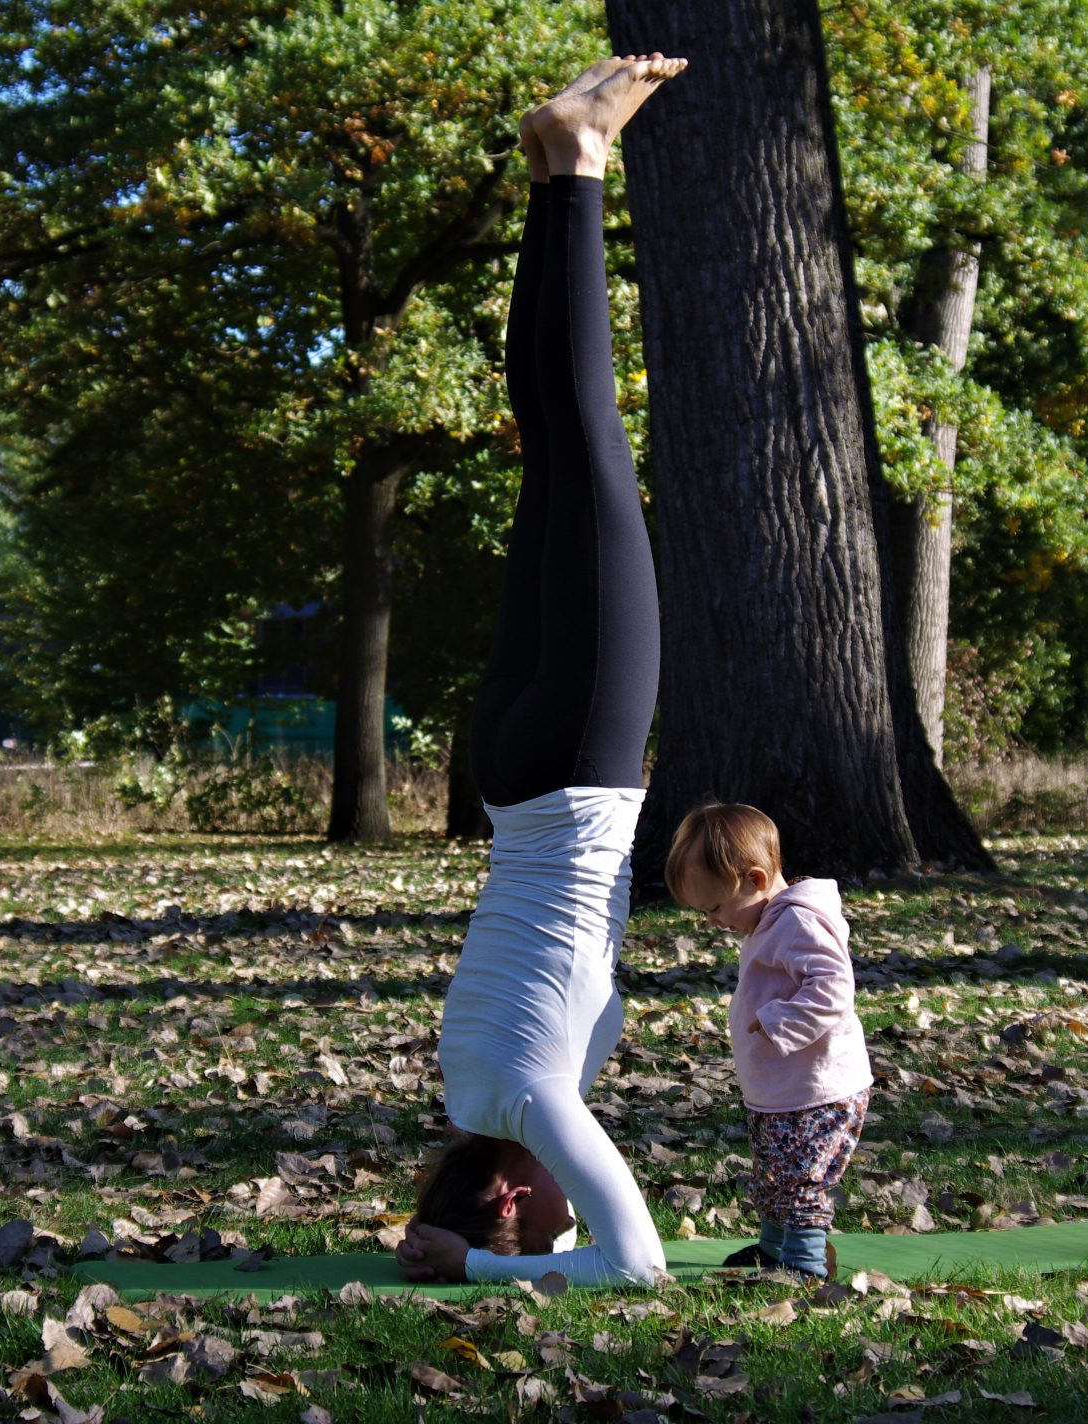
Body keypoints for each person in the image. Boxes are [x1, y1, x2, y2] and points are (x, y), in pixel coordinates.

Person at [392, 53, 687, 1289]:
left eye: (544, 1214)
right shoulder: (468, 1077)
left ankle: (575, 162)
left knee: (592, 442)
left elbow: (637, 1269)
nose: (578, 1189)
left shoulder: (525, 1101)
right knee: (551, 453)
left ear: (514, 1188)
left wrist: (471, 1266)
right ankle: (551, 173)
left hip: (572, 772)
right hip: (510, 777)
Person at [666, 802, 872, 1279]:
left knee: (800, 1177)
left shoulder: (797, 921)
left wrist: (780, 1019)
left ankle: (803, 1262)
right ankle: (774, 1247)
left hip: (817, 1091)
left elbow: (834, 986)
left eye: (714, 907)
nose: (713, 921)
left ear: (755, 880)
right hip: (782, 1091)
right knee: (774, 1175)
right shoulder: (769, 920)